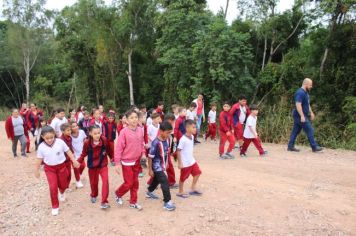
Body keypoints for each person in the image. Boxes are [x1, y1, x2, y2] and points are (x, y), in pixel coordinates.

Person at [34, 126, 80, 216]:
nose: (50, 140)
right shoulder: (41, 147)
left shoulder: (60, 142)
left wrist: (74, 161)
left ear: (54, 135)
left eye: (51, 137)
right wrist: (36, 170)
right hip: (50, 169)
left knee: (63, 184)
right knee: (53, 187)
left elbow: (68, 151)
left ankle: (62, 192)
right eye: (47, 138)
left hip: (62, 167)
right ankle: (55, 206)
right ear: (43, 137)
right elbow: (39, 160)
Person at [114, 109, 145, 210]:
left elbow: (141, 144)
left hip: (136, 161)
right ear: (126, 120)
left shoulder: (140, 129)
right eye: (131, 118)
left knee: (135, 182)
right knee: (129, 183)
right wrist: (117, 163)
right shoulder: (123, 132)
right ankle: (118, 193)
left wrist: (143, 154)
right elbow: (118, 148)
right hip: (127, 162)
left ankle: (133, 202)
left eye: (136, 117)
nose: (134, 119)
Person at [146, 121, 176, 211]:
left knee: (156, 179)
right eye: (167, 132)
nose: (169, 134)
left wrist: (166, 164)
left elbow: (165, 153)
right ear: (161, 131)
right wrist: (150, 169)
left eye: (170, 132)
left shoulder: (167, 140)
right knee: (164, 182)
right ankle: (167, 202)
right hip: (156, 166)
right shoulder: (155, 143)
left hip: (162, 165)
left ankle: (149, 191)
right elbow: (150, 157)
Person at [78, 125, 110, 209]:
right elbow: (83, 154)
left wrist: (114, 158)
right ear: (90, 133)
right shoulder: (87, 143)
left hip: (103, 164)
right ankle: (94, 195)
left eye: (99, 133)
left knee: (105, 181)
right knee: (94, 183)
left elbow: (109, 150)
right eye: (95, 133)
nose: (97, 135)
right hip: (92, 166)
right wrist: (78, 162)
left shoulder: (104, 140)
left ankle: (104, 202)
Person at [288, 78, 323, 152]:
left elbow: (307, 104)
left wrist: (311, 112)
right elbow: (298, 104)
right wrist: (302, 116)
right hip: (299, 115)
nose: (311, 86)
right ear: (305, 84)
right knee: (310, 130)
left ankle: (290, 146)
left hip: (303, 115)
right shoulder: (300, 92)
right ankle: (314, 147)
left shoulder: (306, 93)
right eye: (310, 85)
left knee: (295, 130)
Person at [176, 119, 202, 198]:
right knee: (183, 178)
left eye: (195, 127)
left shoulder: (192, 137)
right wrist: (180, 163)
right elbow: (178, 150)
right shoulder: (183, 139)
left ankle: (192, 188)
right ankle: (180, 191)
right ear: (187, 128)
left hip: (192, 161)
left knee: (197, 173)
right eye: (193, 127)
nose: (195, 129)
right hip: (185, 163)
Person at [70, 121, 87, 188]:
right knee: (76, 168)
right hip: (73, 155)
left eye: (76, 125)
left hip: (81, 153)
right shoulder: (70, 135)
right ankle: (78, 181)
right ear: (70, 128)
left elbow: (85, 139)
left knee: (83, 165)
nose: (75, 127)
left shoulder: (82, 132)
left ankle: (79, 173)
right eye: (73, 126)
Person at [59, 123, 74, 188]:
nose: (70, 131)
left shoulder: (70, 138)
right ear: (62, 131)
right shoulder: (60, 140)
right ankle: (63, 186)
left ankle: (66, 186)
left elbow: (70, 147)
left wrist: (72, 154)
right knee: (65, 174)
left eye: (70, 130)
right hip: (62, 160)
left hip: (68, 159)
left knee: (69, 174)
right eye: (68, 130)